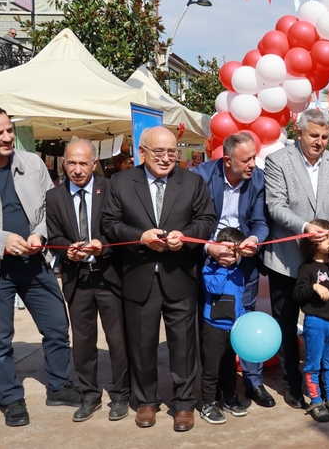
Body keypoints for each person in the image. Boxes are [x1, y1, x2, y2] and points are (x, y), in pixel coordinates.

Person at [102, 126, 216, 432]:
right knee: (142, 345)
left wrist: (187, 238)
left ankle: (183, 404)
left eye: (172, 152)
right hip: (139, 277)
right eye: (159, 152)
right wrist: (140, 237)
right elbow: (110, 224)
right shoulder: (121, 182)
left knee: (183, 345)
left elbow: (207, 220)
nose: (166, 159)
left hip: (180, 276)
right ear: (142, 153)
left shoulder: (192, 182)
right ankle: (147, 401)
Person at [0, 106, 80, 427]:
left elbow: (49, 209)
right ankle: (10, 398)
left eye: (9, 129)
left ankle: (59, 386)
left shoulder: (32, 162)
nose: (8, 137)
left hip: (35, 263)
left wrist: (40, 234)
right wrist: (0, 239)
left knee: (56, 327)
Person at [263, 109, 329, 409]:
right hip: (287, 260)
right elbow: (275, 206)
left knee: (325, 322)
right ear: (299, 132)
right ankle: (293, 384)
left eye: (325, 137)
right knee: (287, 324)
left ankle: (326, 385)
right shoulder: (278, 161)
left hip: (322, 260)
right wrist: (304, 227)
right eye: (314, 135)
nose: (319, 142)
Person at [46, 139, 129, 423]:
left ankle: (120, 395)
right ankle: (90, 395)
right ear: (64, 164)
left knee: (117, 339)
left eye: (83, 163)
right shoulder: (54, 197)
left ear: (94, 163)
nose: (77, 169)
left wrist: (102, 244)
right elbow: (53, 236)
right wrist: (65, 249)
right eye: (72, 163)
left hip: (109, 276)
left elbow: (119, 230)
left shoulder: (110, 189)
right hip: (76, 278)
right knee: (82, 342)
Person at [192, 132, 273, 408]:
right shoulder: (201, 176)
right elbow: (190, 222)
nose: (253, 163)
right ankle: (211, 390)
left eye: (254, 157)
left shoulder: (258, 179)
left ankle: (253, 382)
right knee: (210, 328)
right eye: (247, 159)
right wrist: (210, 247)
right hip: (207, 260)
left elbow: (261, 222)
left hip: (244, 264)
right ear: (227, 160)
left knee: (244, 321)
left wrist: (254, 240)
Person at [294, 219, 329, 422]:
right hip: (316, 322)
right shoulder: (307, 268)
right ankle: (315, 400)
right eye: (325, 237)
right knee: (313, 362)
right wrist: (314, 288)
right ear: (313, 243)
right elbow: (298, 294)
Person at [199, 227, 250, 425]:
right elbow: (214, 288)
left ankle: (229, 398)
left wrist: (242, 319)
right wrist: (222, 267)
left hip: (233, 328)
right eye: (228, 250)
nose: (232, 256)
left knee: (229, 367)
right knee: (211, 368)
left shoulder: (239, 272)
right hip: (214, 327)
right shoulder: (209, 268)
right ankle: (209, 403)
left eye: (236, 252)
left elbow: (240, 298)